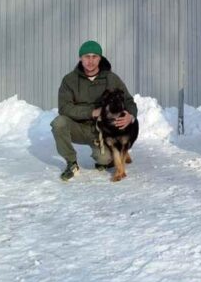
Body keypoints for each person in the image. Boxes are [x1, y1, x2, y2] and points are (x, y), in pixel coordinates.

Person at [50, 40, 138, 181]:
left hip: (102, 132)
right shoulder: (69, 80)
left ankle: (105, 159)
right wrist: (91, 112)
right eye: (86, 56)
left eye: (94, 56)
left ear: (100, 58)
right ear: (80, 58)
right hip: (78, 127)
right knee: (58, 123)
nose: (90, 61)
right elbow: (64, 108)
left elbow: (128, 101)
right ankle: (71, 163)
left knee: (104, 159)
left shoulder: (111, 78)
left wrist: (131, 115)